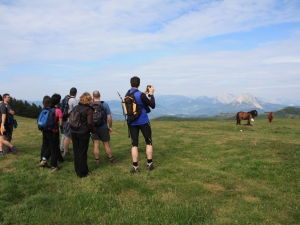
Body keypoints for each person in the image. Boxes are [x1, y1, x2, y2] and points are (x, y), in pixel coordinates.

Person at [126, 76, 155, 173]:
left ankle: (135, 167)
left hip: (132, 122)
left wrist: (144, 93)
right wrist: (151, 94)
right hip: (143, 121)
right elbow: (152, 105)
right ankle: (149, 164)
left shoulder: (127, 94)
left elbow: (137, 98)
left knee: (134, 144)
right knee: (148, 142)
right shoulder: (141, 95)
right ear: (139, 84)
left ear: (131, 84)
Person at [71, 92, 95, 178]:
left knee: (76, 151)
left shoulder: (76, 107)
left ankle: (77, 170)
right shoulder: (89, 109)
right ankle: (83, 172)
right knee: (83, 152)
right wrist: (92, 130)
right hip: (83, 132)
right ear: (89, 100)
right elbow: (89, 122)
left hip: (74, 131)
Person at [91, 90, 116, 164]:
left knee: (96, 144)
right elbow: (109, 117)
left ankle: (97, 160)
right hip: (103, 126)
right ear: (100, 95)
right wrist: (110, 126)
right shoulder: (104, 104)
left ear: (92, 96)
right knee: (106, 144)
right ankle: (111, 158)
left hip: (94, 127)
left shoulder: (90, 105)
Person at [39, 94, 63, 171]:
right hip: (53, 132)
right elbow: (61, 123)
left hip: (45, 130)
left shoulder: (45, 109)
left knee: (48, 146)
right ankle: (54, 166)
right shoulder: (58, 110)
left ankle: (43, 159)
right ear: (58, 101)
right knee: (54, 149)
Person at [62, 87, 77, 157]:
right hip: (69, 120)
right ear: (76, 93)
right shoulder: (73, 100)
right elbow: (76, 110)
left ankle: (65, 150)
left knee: (66, 136)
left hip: (65, 119)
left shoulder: (66, 98)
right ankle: (66, 152)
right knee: (68, 137)